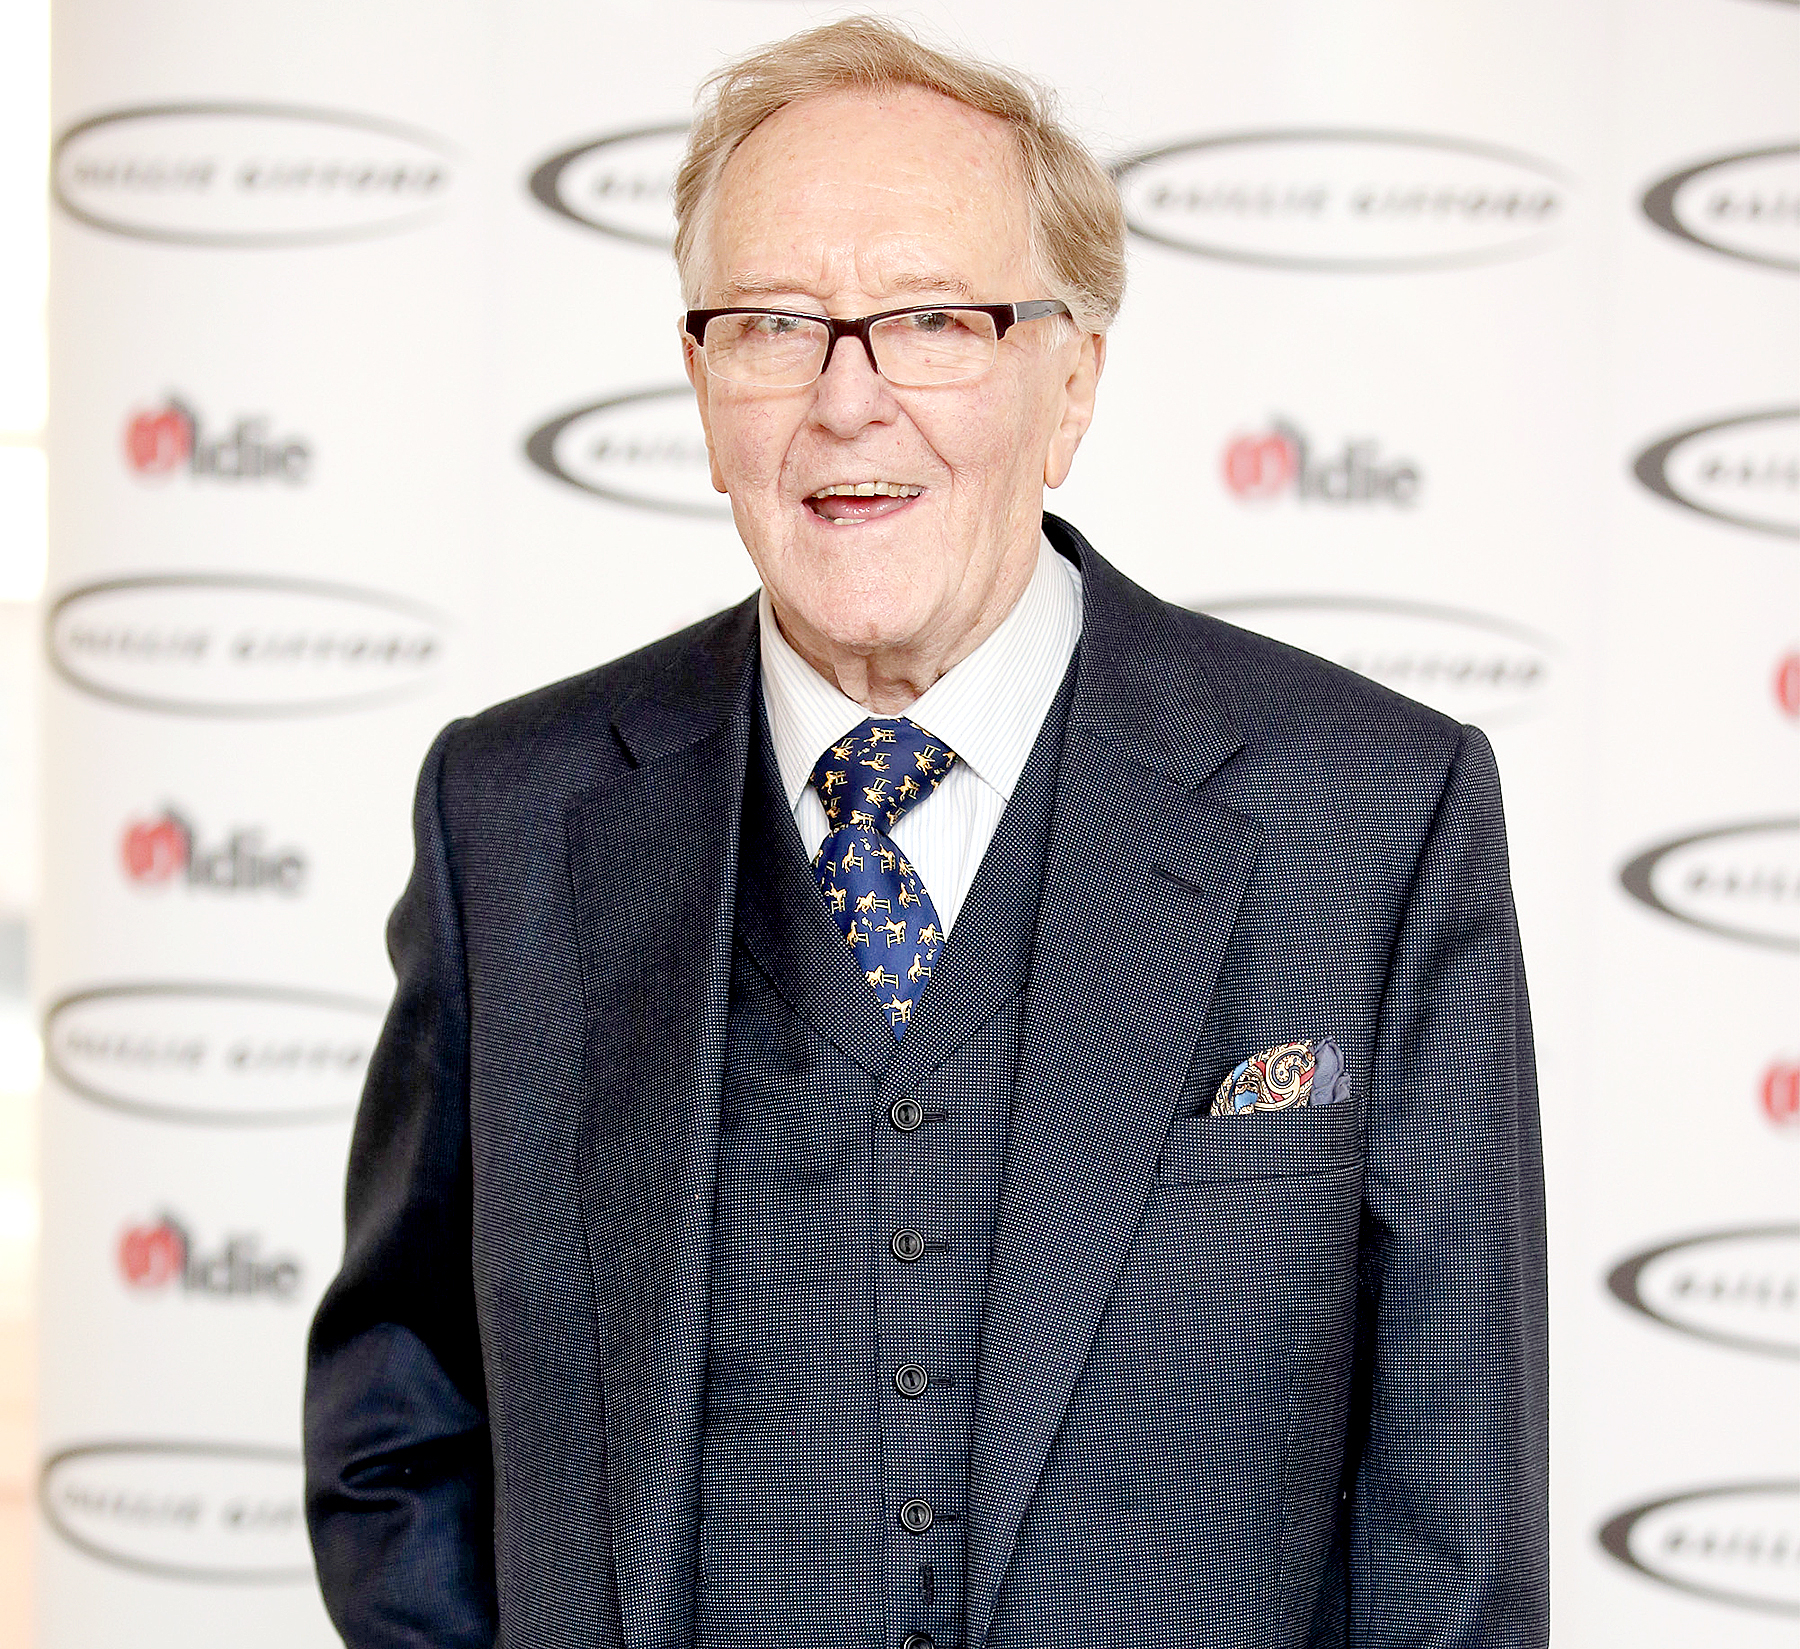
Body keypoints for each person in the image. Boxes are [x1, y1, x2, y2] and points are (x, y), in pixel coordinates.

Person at [304, 18, 1548, 1649]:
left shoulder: (1376, 815)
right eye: (771, 325)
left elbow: (1454, 1542)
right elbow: (399, 1420)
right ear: (700, 383)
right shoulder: (513, 818)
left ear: (1072, 378)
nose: (846, 402)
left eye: (934, 321)